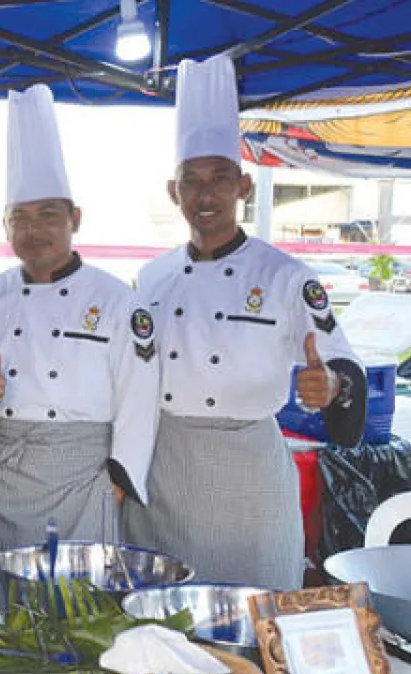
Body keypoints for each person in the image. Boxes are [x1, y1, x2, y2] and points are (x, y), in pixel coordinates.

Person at [124, 55, 366, 590]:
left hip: (249, 473)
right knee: (162, 621)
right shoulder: (151, 277)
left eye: (220, 179)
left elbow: (343, 363)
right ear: (174, 192)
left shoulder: (285, 276)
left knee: (254, 618)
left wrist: (333, 385)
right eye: (192, 181)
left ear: (244, 188)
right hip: (166, 470)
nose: (205, 195)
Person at [0, 85, 159, 605]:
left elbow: (140, 398)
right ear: (4, 225)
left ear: (75, 219)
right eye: (19, 217)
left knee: (77, 612)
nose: (33, 229)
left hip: (77, 481)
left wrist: (116, 482)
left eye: (48, 214)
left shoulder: (116, 301)